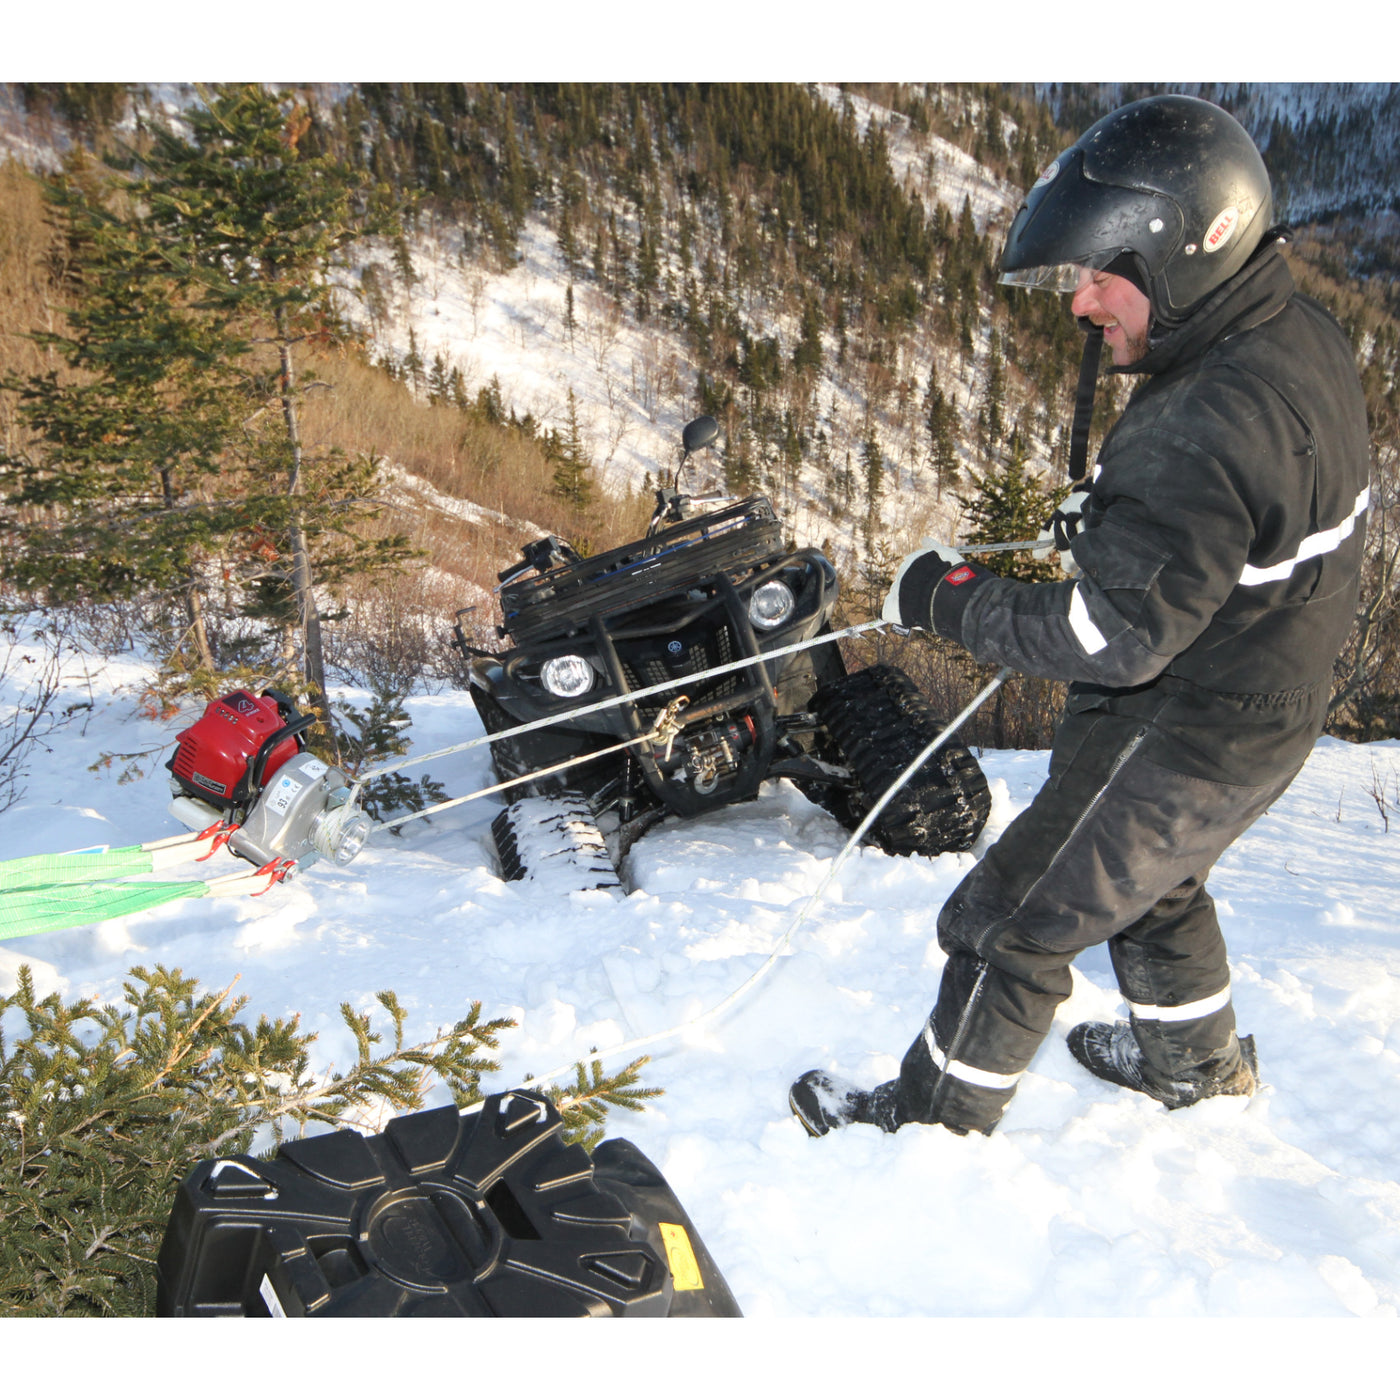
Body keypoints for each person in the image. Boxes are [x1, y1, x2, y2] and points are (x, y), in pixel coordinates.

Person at [790, 94, 1372, 1139]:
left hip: (1181, 726)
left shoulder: (1196, 423)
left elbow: (1106, 638)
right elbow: (1231, 527)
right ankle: (1191, 1066)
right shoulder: (1292, 333)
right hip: (1265, 702)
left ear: (1187, 253)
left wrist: (940, 596)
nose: (1080, 302)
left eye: (1106, 272)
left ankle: (925, 1133)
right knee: (1156, 885)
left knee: (1009, 919)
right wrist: (1117, 530)